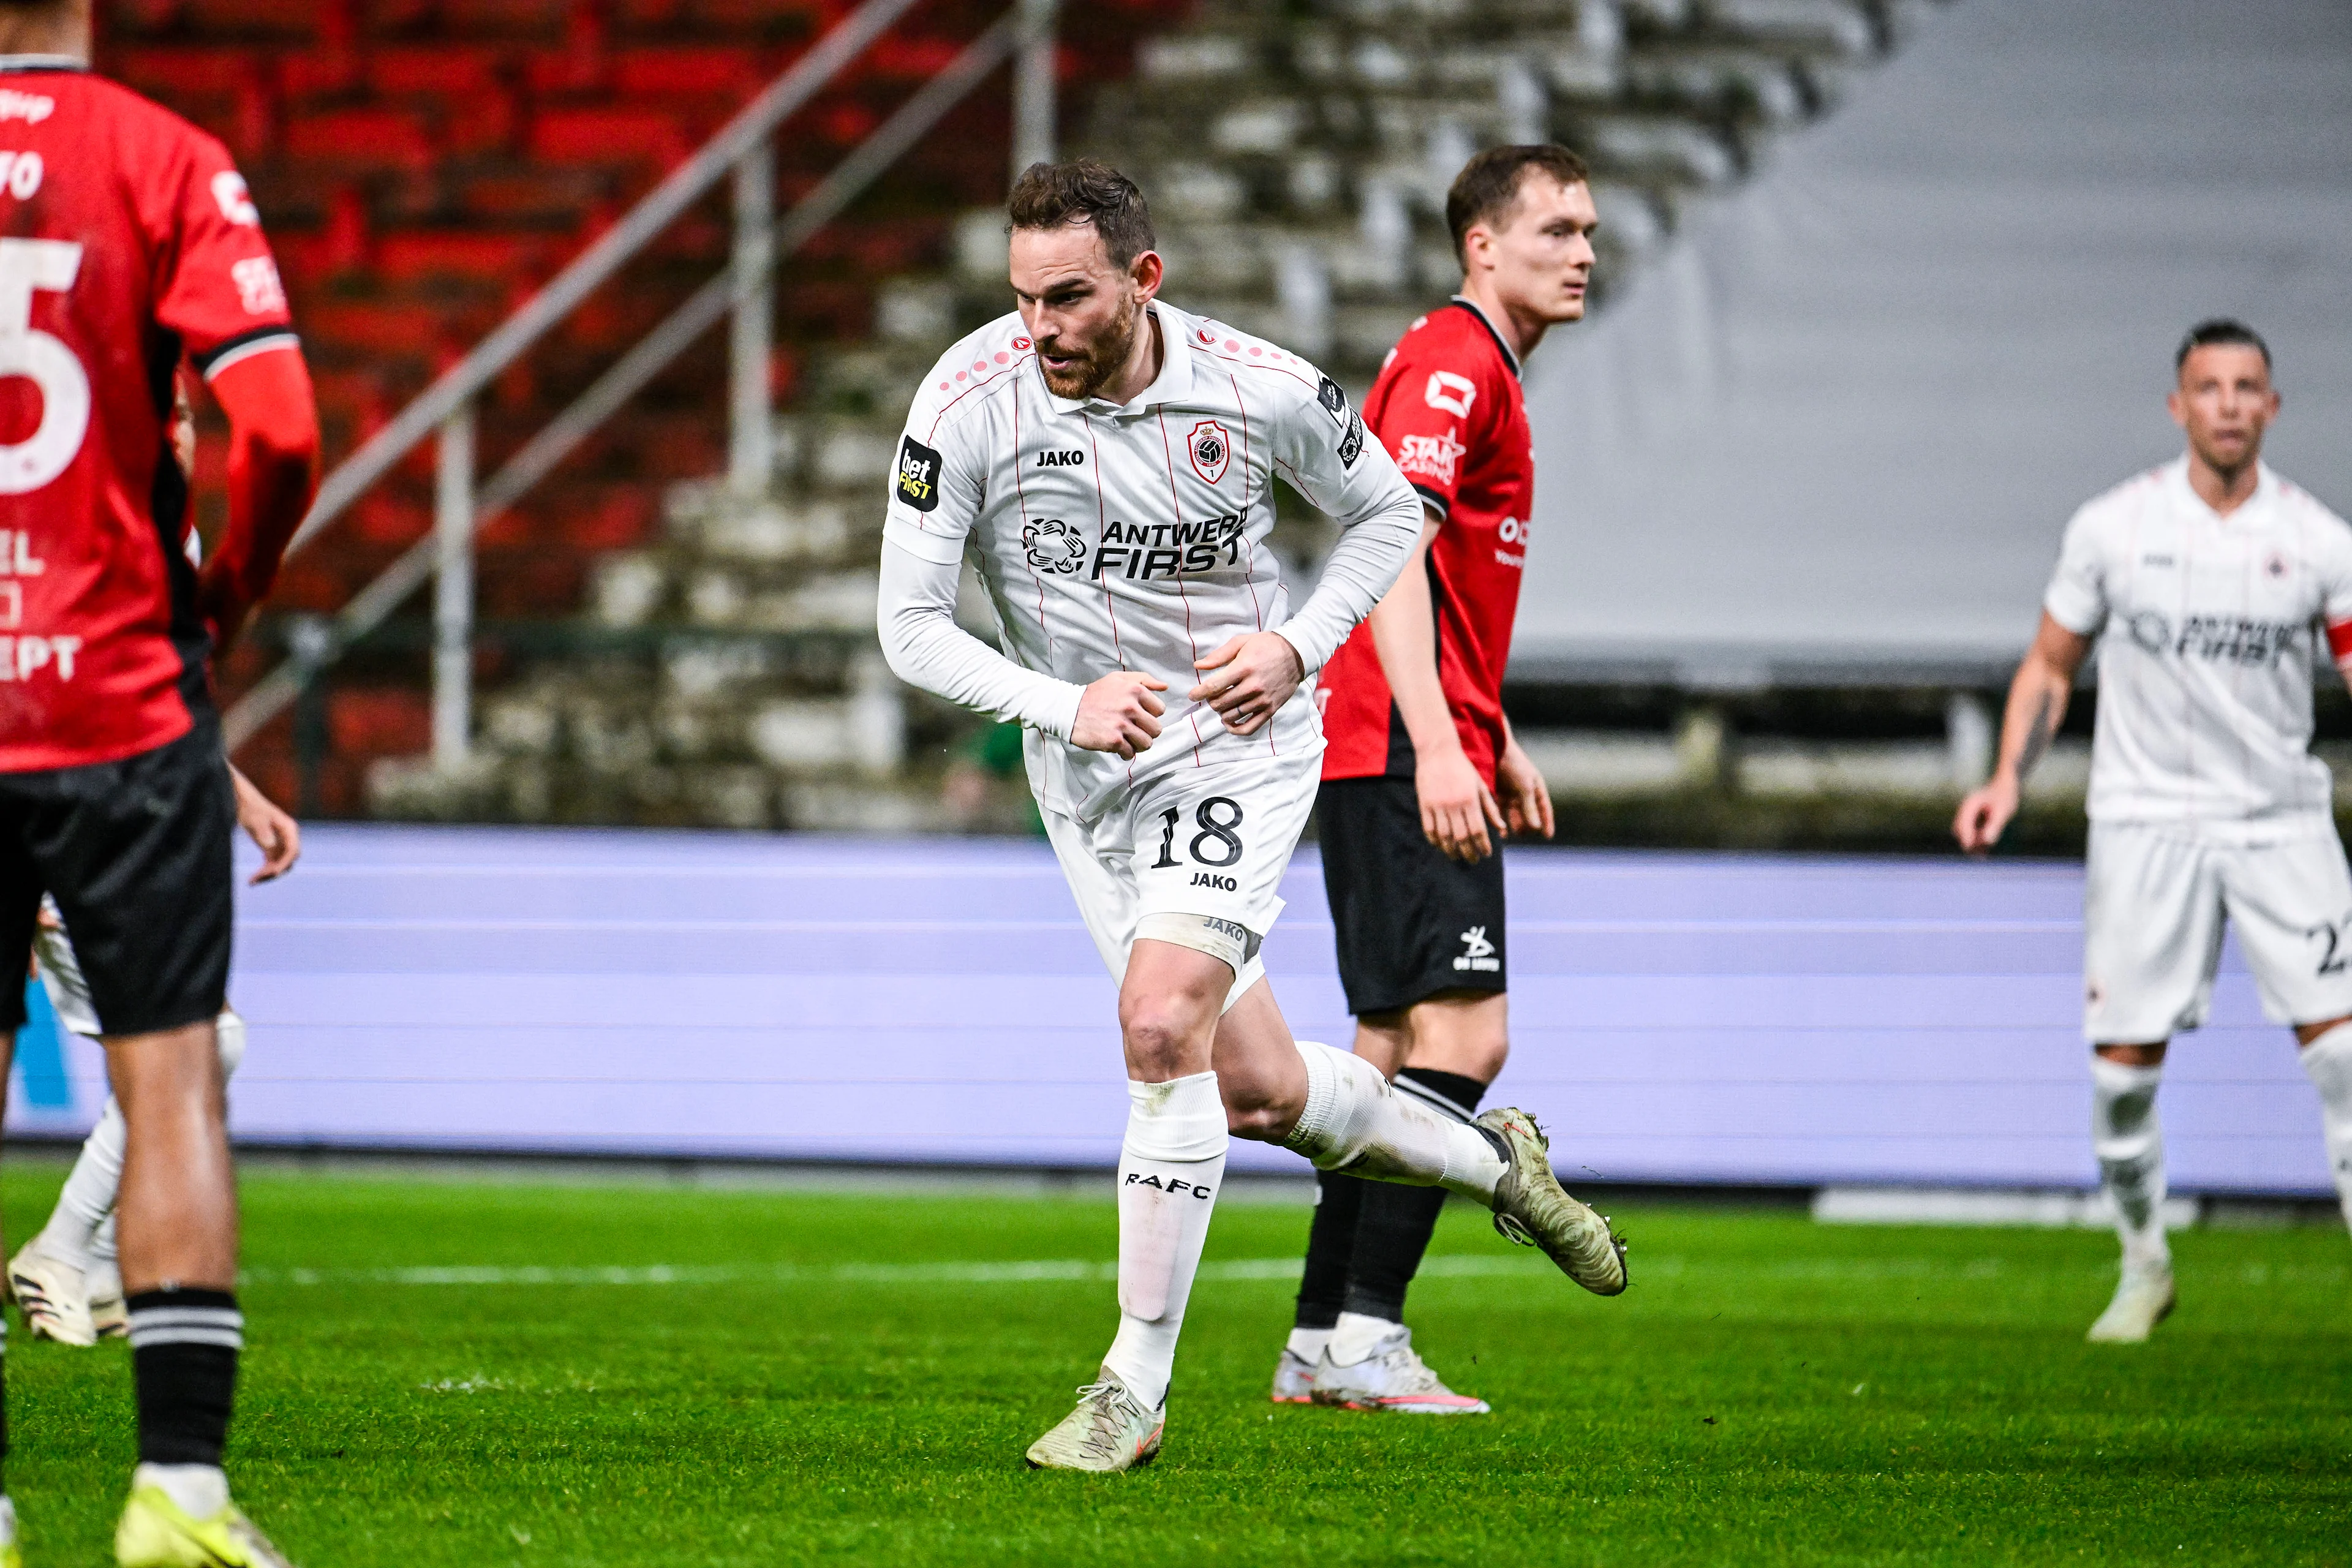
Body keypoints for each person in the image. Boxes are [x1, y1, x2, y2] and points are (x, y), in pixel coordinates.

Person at [876, 158, 1627, 1472]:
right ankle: (1493, 1162)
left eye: (1069, 298)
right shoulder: (966, 401)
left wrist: (1295, 649)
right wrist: (1059, 706)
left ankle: (1131, 1389)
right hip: (1087, 770)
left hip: (1239, 748)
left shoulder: (1259, 388)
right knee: (1263, 1088)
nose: (1040, 328)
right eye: (1022, 298)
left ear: (1143, 278)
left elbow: (1388, 513)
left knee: (1160, 1018)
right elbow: (909, 627)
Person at [0, 2, 320, 1561]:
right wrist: (219, 614)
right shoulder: (164, 157)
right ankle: (177, 1498)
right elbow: (274, 427)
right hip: (114, 699)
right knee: (173, 1069)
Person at [1276, 144, 1599, 1415]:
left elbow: (1438, 572)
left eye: (1588, 231)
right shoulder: (1462, 362)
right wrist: (1442, 735)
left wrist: (1487, 721)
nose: (1582, 251)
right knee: (1467, 1034)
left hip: (1394, 732)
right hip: (1398, 738)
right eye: (1558, 229)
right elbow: (1392, 544)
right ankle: (1366, 1334)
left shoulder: (1466, 364)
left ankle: (1320, 1338)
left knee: (1389, 1047)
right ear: (1483, 244)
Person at [1955, 319, 2352, 1343]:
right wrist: (2007, 779)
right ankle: (2144, 1266)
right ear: (2180, 407)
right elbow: (2050, 665)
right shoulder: (2113, 529)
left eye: (2247, 386)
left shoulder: (2319, 543)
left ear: (2272, 406)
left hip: (2280, 825)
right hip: (2146, 824)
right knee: (2122, 1078)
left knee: (2345, 1060)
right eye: (2209, 387)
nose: (2228, 403)